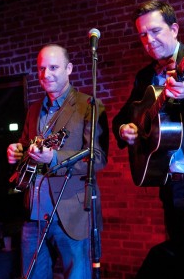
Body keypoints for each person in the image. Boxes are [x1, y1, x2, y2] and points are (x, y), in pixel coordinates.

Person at [7, 44, 109, 278]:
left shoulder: (88, 106)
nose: (46, 75)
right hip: (34, 214)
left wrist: (54, 158)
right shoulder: (34, 109)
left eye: (54, 67)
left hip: (72, 214)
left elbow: (98, 158)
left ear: (69, 68)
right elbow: (25, 145)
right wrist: (17, 150)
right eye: (41, 69)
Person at [112, 0, 184, 277]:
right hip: (170, 184)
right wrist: (125, 130)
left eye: (155, 31)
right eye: (143, 34)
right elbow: (121, 118)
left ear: (175, 29)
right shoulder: (145, 76)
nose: (149, 40)